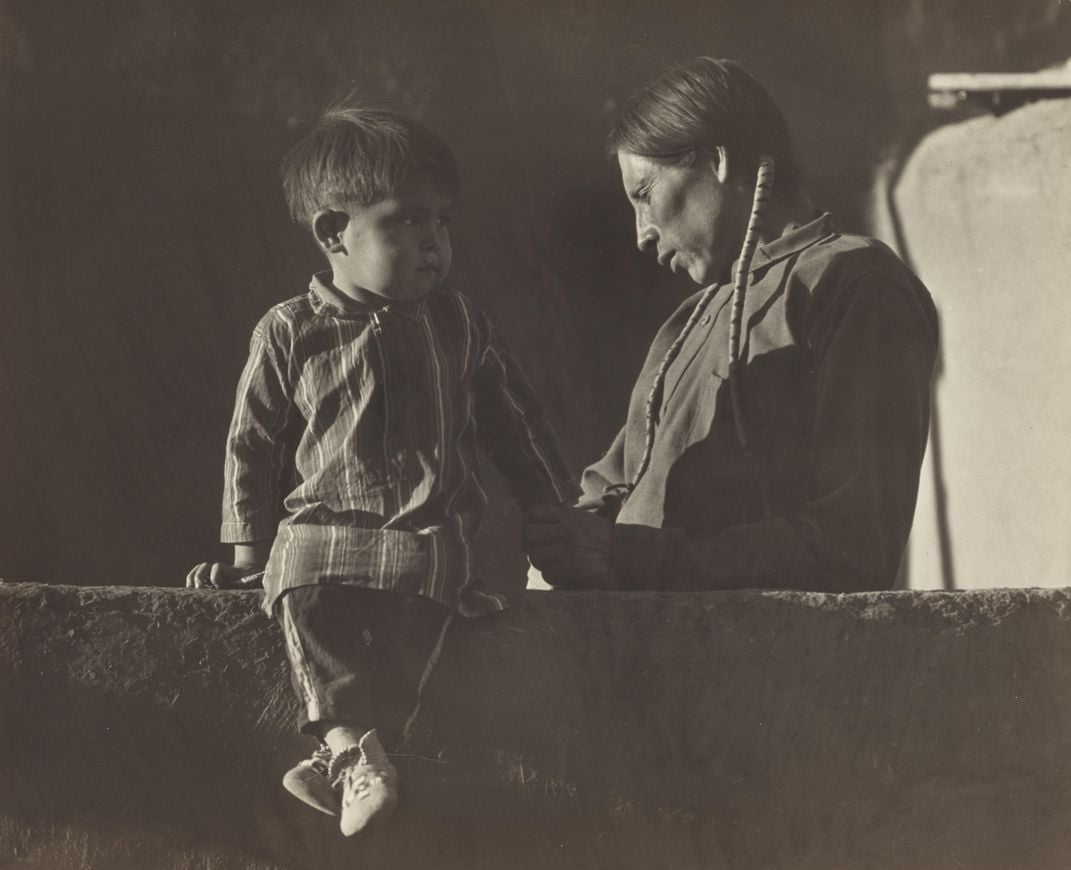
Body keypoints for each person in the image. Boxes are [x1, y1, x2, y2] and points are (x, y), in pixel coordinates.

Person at [186, 107, 575, 837]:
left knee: (425, 595)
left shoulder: (459, 324)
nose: (433, 243)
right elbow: (253, 445)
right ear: (334, 233)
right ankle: (348, 750)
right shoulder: (288, 331)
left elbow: (513, 424)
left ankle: (350, 755)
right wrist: (247, 549)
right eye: (405, 222)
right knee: (296, 584)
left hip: (424, 528)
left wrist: (552, 505)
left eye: (443, 222)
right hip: (322, 529)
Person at [524, 57, 938, 594]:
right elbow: (614, 484)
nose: (641, 234)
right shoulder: (690, 323)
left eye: (644, 195)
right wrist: (566, 534)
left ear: (718, 160)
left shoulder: (856, 284)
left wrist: (628, 558)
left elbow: (853, 547)